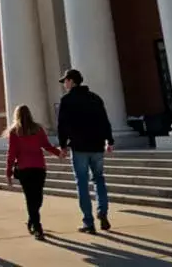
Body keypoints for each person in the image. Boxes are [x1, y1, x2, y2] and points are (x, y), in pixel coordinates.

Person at [56, 69, 114, 234]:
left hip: (79, 147)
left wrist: (63, 145)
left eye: (66, 81)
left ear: (72, 81)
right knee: (99, 180)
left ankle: (88, 221)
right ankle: (102, 211)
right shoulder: (95, 98)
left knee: (82, 183)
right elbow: (105, 121)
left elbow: (62, 125)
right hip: (96, 146)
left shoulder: (67, 100)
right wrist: (109, 141)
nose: (65, 84)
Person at [4, 103, 61, 240]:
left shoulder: (16, 132)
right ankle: (37, 226)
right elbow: (46, 146)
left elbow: (12, 154)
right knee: (37, 197)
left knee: (31, 198)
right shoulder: (36, 129)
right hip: (38, 167)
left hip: (26, 169)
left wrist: (8, 172)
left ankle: (33, 220)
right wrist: (58, 153)